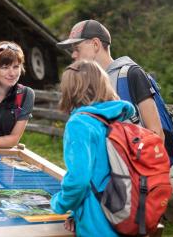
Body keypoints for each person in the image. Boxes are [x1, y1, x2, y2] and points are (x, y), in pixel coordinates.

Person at [50, 60, 135, 236]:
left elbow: (79, 179)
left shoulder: (79, 123)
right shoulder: (119, 116)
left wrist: (60, 204)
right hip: (126, 211)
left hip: (98, 222)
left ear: (71, 89)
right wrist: (76, 212)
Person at [56, 19, 164, 142]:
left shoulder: (131, 74)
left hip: (138, 159)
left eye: (77, 49)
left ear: (96, 44)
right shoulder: (87, 83)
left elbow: (157, 133)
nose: (73, 55)